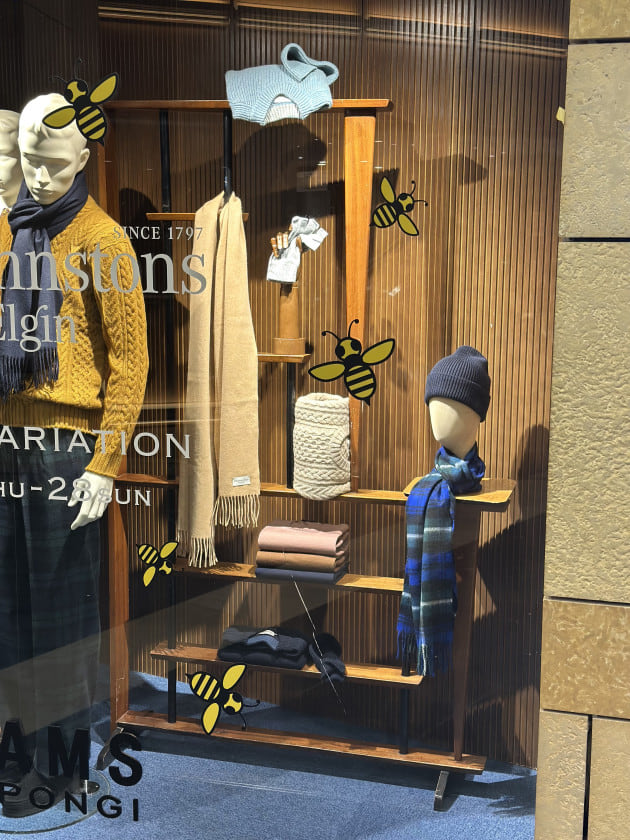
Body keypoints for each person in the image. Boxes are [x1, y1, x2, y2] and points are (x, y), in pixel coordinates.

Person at [0, 92, 148, 818]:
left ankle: (60, 771)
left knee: (61, 620)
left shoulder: (103, 240)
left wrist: (104, 464)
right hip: (6, 445)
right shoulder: (8, 231)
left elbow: (131, 363)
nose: (42, 176)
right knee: (8, 612)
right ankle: (13, 754)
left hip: (67, 452)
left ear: (84, 157)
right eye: (32, 161)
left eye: (56, 164)